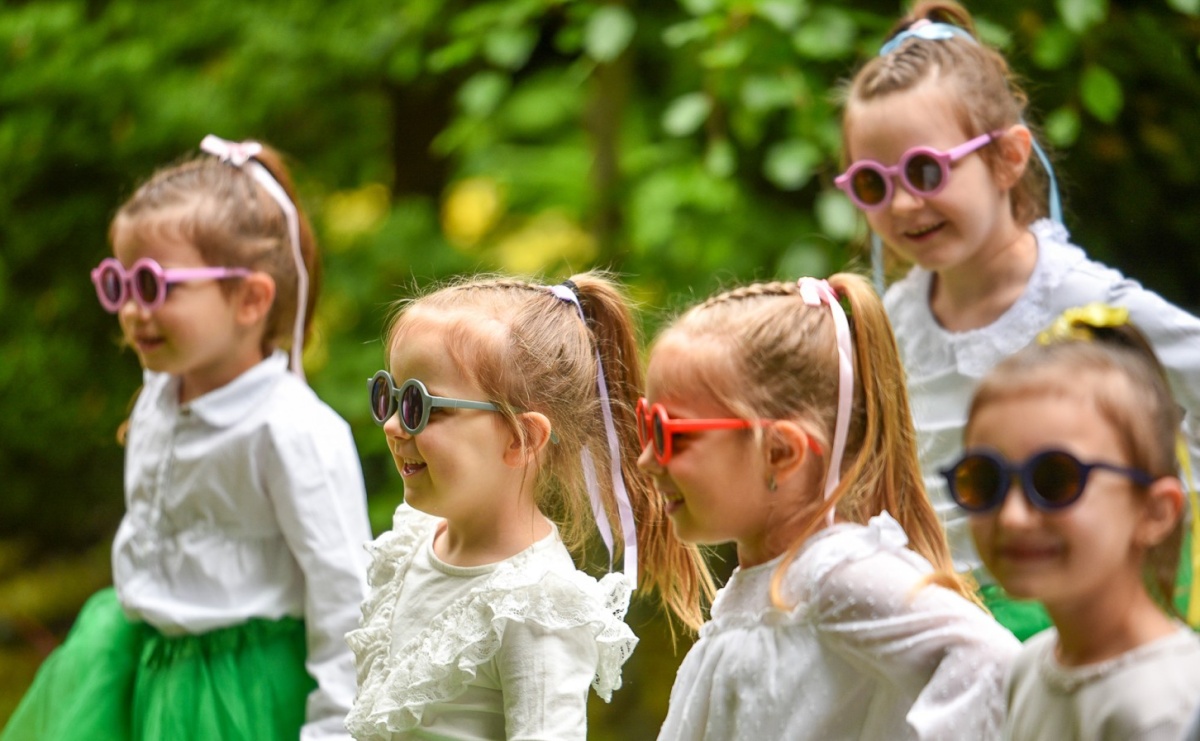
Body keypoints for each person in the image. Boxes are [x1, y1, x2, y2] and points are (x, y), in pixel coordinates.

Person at [836, 0, 1200, 638]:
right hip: (947, 631)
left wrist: (1155, 531)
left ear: (1007, 157)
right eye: (873, 184)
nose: (904, 203)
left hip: (1078, 626)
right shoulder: (893, 324)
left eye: (926, 170)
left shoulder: (1086, 302)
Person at [2, 135, 372, 741]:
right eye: (119, 284)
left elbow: (348, 598)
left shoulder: (292, 430)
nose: (132, 309)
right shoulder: (157, 396)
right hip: (143, 671)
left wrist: (334, 730)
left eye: (154, 285)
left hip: (240, 698)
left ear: (249, 298)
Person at [640, 273, 1019, 740]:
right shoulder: (770, 586)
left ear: (781, 452)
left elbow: (992, 661)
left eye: (667, 434)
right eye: (644, 424)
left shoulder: (836, 574)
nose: (645, 460)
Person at [345, 273, 714, 740]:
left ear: (522, 439)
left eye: (421, 406)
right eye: (389, 396)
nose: (394, 425)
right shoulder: (412, 541)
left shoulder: (536, 606)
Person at [945, 304, 1200, 739]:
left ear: (1154, 512)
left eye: (1056, 479)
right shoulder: (1030, 666)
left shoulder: (1169, 709)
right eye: (984, 480)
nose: (1013, 516)